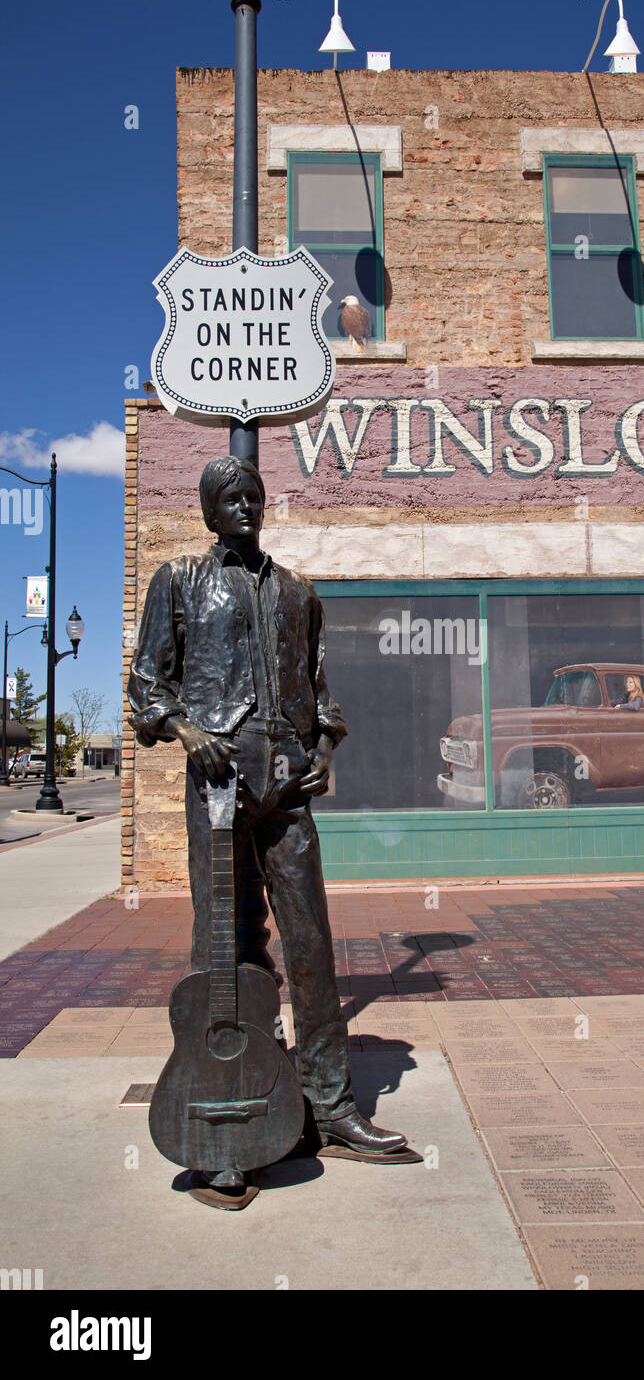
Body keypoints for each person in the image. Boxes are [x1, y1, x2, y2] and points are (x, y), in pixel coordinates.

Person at [128, 454, 413, 1191]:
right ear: (209, 510)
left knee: (311, 942)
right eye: (231, 498)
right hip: (217, 783)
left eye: (253, 495)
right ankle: (228, 1120)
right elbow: (146, 683)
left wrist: (323, 746)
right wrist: (188, 732)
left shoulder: (296, 591)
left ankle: (330, 1103)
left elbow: (320, 690)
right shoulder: (180, 580)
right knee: (224, 945)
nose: (246, 506)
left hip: (286, 784)